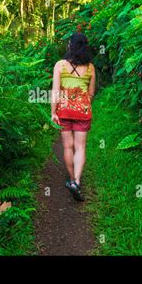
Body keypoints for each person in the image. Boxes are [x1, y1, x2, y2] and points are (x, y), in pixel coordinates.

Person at [51, 32, 95, 201]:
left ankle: (71, 180)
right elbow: (91, 93)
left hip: (64, 110)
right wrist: (82, 102)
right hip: (82, 111)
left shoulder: (60, 65)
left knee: (68, 146)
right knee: (81, 146)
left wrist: (53, 112)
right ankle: (77, 181)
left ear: (70, 46)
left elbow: (55, 91)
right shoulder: (90, 67)